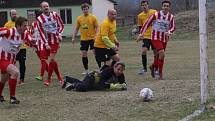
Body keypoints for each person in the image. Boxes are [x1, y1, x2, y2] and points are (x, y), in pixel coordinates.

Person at [137, 0, 176, 79]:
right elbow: (146, 24)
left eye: (167, 6)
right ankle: (160, 74)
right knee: (162, 54)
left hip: (164, 38)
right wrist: (141, 34)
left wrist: (169, 31)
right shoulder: (156, 14)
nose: (166, 7)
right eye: (164, 6)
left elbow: (173, 27)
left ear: (169, 7)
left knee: (160, 56)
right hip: (155, 37)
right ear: (162, 7)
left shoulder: (170, 17)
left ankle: (153, 66)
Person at [0, 16, 35, 104]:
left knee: (4, 79)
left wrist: (34, 42)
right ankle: (12, 97)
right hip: (2, 58)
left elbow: (30, 41)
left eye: (27, 26)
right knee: (15, 72)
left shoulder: (25, 34)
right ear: (18, 26)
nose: (26, 28)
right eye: (24, 26)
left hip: (12, 59)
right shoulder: (9, 31)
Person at [37, 1, 65, 86]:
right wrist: (45, 44)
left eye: (47, 6)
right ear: (41, 8)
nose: (46, 7)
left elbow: (61, 25)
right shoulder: (39, 19)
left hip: (55, 41)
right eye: (44, 6)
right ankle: (59, 76)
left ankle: (48, 79)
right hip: (45, 42)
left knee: (51, 59)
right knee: (49, 60)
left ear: (49, 7)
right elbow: (41, 33)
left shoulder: (55, 14)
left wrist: (59, 34)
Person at [72, 3, 99, 74]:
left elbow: (97, 27)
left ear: (88, 9)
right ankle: (86, 70)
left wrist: (96, 35)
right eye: (84, 9)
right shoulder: (79, 18)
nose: (85, 10)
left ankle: (100, 68)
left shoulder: (93, 17)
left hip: (92, 39)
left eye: (86, 9)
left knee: (95, 53)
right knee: (84, 54)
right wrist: (73, 37)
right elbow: (77, 28)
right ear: (82, 10)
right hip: (83, 39)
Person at [62, 62, 127, 92]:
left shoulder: (121, 74)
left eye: (122, 70)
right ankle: (74, 85)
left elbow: (124, 84)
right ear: (114, 67)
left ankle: (67, 79)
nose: (120, 71)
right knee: (84, 88)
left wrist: (123, 86)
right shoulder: (108, 71)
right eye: (118, 69)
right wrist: (113, 86)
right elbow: (101, 85)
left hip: (95, 82)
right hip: (91, 78)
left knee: (82, 84)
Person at [4, 9, 28, 84]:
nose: (14, 15)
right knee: (12, 64)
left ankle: (21, 79)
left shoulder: (21, 23)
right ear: (10, 15)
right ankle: (11, 78)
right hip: (12, 49)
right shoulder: (7, 24)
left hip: (22, 47)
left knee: (22, 63)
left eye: (15, 14)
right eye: (13, 14)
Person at [136, 0, 157, 75]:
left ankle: (156, 68)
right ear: (141, 6)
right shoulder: (140, 16)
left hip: (154, 35)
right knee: (144, 51)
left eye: (145, 5)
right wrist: (140, 35)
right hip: (146, 36)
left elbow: (158, 21)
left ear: (148, 5)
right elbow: (140, 27)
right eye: (143, 5)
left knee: (156, 52)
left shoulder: (154, 12)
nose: (144, 7)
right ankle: (144, 68)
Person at [30, 10, 49, 81]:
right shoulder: (33, 24)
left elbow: (48, 33)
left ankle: (41, 76)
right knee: (42, 60)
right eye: (38, 16)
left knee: (43, 60)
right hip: (36, 45)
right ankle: (50, 72)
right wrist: (32, 43)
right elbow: (31, 34)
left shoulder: (45, 23)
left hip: (43, 44)